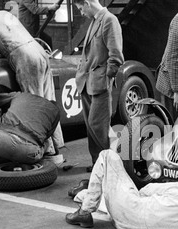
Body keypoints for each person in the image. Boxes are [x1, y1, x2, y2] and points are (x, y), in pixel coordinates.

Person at [0, 2, 65, 158]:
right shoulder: (4, 14)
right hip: (40, 53)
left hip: (26, 60)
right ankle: (57, 145)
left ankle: (45, 150)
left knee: (34, 104)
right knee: (48, 100)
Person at [73, 0, 124, 171]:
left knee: (98, 124)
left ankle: (109, 164)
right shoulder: (95, 20)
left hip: (100, 82)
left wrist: (107, 76)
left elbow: (116, 55)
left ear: (87, 3)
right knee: (90, 125)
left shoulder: (109, 20)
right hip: (86, 82)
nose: (81, 12)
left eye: (80, 8)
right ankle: (97, 163)